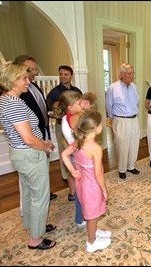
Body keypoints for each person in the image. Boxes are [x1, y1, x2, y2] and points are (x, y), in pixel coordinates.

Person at [0, 61, 56, 250]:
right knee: (41, 195)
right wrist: (45, 147)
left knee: (30, 193)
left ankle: (33, 226)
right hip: (30, 154)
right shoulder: (13, 103)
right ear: (13, 80)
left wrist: (42, 142)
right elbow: (29, 139)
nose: (27, 82)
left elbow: (27, 135)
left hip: (21, 153)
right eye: (23, 78)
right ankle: (35, 239)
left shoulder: (6, 100)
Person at [61, 110, 112, 253]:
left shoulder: (78, 142)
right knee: (92, 215)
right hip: (92, 186)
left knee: (90, 211)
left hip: (81, 184)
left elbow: (64, 154)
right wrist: (104, 190)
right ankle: (91, 242)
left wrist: (72, 170)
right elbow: (98, 174)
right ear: (96, 128)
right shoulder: (95, 148)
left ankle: (94, 231)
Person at [14, 55, 57, 207]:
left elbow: (40, 107)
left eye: (35, 70)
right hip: (30, 138)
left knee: (43, 167)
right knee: (30, 178)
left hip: (43, 130)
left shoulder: (35, 86)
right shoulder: (16, 94)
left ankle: (44, 193)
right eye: (30, 70)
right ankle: (29, 208)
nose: (34, 73)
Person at [56, 90, 97, 228]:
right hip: (79, 158)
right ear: (70, 107)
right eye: (79, 103)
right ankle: (81, 217)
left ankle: (84, 214)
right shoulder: (70, 120)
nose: (82, 105)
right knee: (83, 189)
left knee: (84, 188)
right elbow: (78, 141)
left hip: (80, 156)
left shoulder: (74, 115)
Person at [46, 65, 82, 201]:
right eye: (61, 74)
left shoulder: (77, 91)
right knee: (66, 152)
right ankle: (68, 177)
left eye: (66, 74)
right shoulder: (54, 92)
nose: (63, 76)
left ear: (71, 76)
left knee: (78, 153)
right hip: (62, 126)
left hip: (77, 126)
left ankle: (78, 174)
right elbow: (49, 110)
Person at [105, 63, 141, 179]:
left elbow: (137, 102)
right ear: (122, 74)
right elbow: (109, 104)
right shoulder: (113, 87)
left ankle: (131, 166)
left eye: (132, 73)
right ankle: (121, 169)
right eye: (129, 73)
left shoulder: (134, 87)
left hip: (134, 119)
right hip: (120, 120)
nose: (132, 76)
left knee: (134, 144)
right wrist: (112, 118)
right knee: (122, 145)